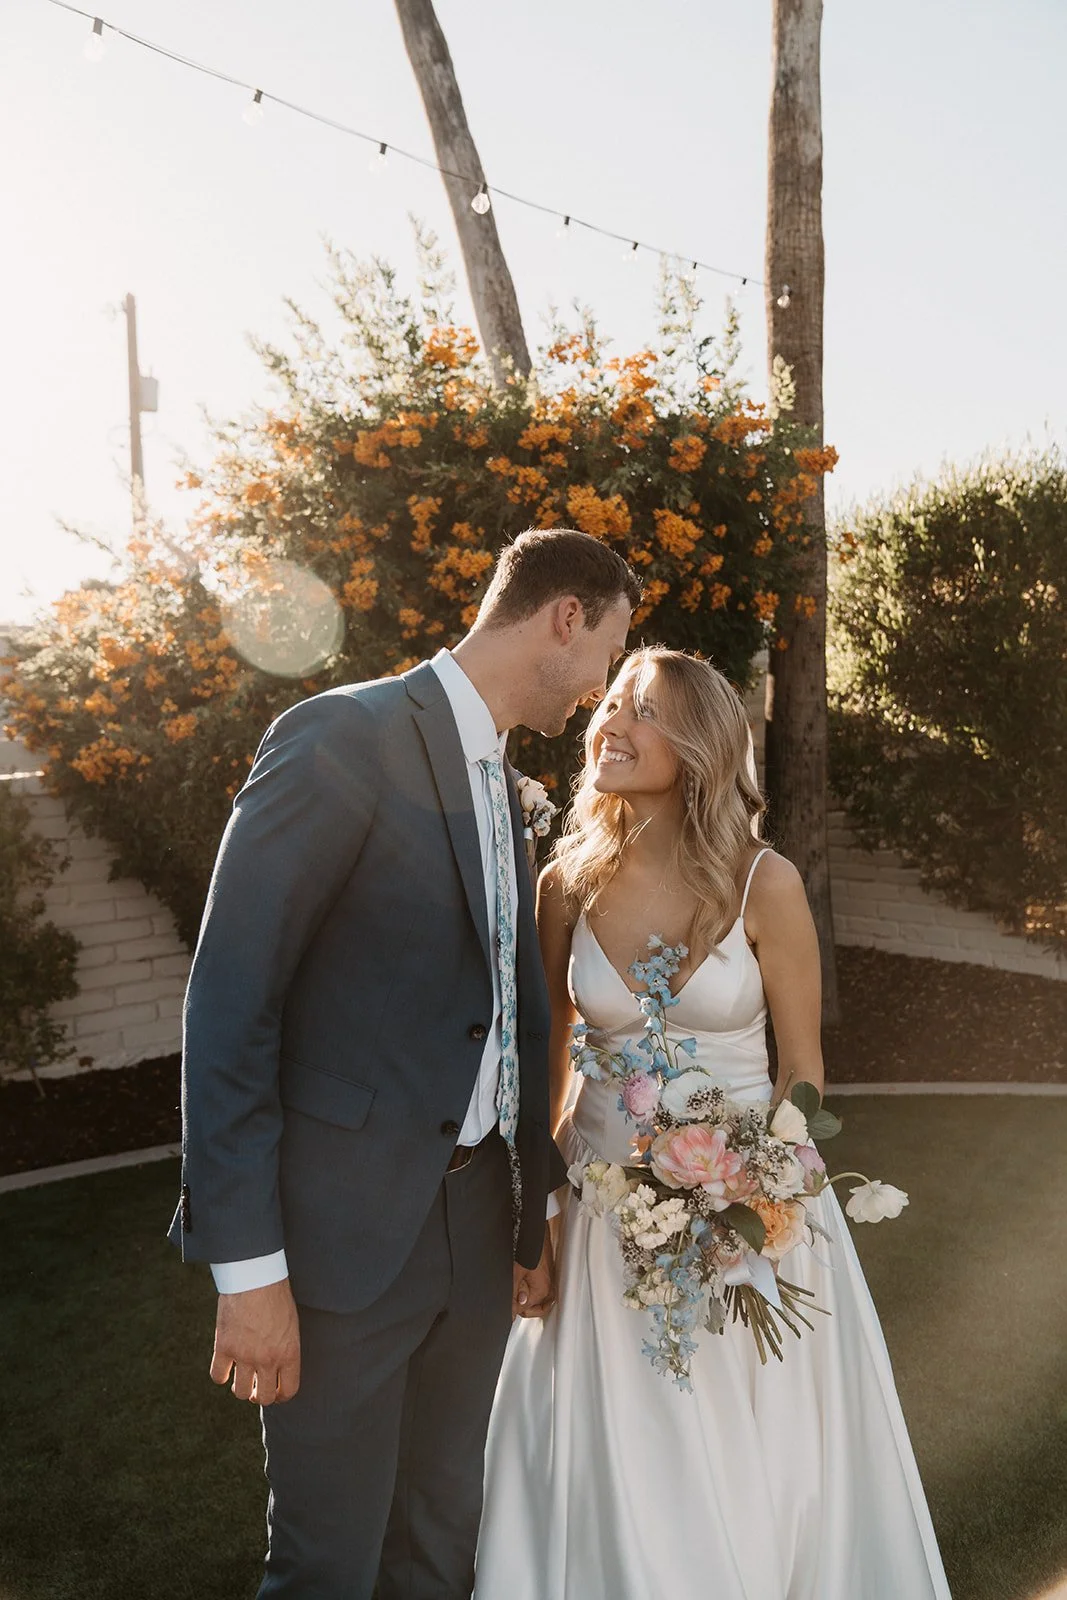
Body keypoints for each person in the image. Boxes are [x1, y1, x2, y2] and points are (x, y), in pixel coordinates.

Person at [169, 527, 640, 1599]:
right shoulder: (338, 735)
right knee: (327, 1564)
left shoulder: (505, 783)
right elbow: (231, 1007)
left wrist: (523, 1218)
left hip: (473, 1236)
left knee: (441, 1546)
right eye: (607, 654)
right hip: (340, 1240)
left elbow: (509, 1018)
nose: (600, 688)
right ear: (564, 619)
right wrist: (247, 1272)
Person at [475, 646, 952, 1600]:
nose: (608, 722)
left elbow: (803, 1075)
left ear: (696, 744)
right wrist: (542, 1218)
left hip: (757, 1223)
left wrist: (760, 1195)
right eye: (607, 703)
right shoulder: (563, 883)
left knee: (757, 1444)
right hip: (605, 1219)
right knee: (627, 1447)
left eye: (639, 709)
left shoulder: (762, 883)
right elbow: (546, 1068)